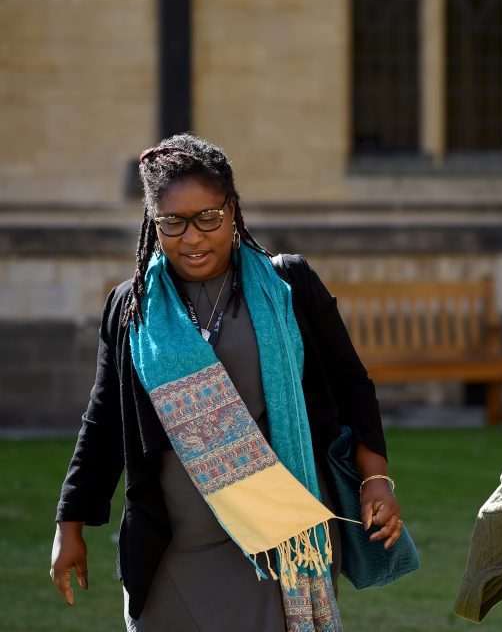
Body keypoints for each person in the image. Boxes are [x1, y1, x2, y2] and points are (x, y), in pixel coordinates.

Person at [50, 134, 403, 631]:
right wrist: (69, 526)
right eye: (172, 222)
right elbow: (103, 422)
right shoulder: (131, 309)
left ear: (232, 210)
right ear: (153, 222)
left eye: (207, 218)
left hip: (272, 540)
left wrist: (375, 479)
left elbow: (352, 386)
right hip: (172, 544)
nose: (192, 238)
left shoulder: (288, 287)